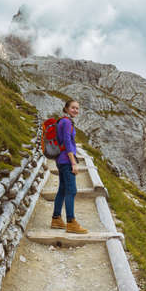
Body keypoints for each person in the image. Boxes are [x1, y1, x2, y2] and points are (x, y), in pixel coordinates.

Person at [51, 99, 88, 234]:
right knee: (71, 191)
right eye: (73, 108)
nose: (75, 110)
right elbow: (67, 141)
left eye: (77, 108)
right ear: (66, 108)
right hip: (66, 160)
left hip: (60, 159)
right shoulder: (66, 122)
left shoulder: (62, 121)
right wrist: (73, 162)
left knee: (62, 189)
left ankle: (56, 219)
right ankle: (71, 222)